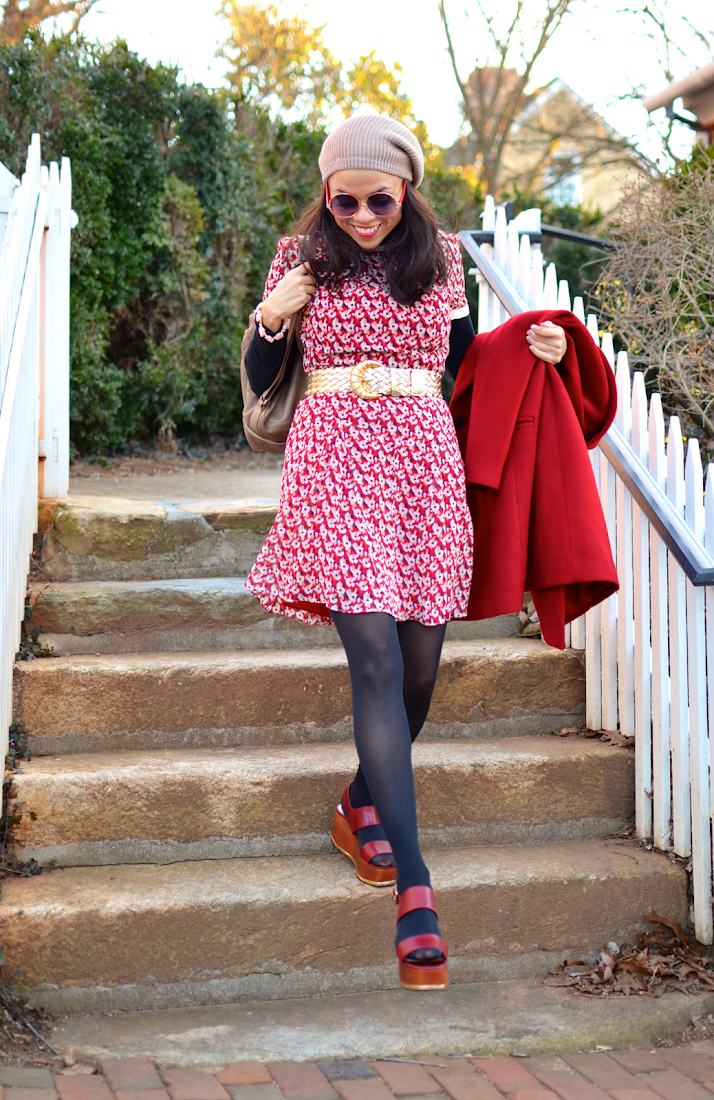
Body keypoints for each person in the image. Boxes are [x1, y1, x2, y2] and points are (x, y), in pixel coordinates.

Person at [244, 113, 567, 991]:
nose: (358, 215)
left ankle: (361, 802)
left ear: (406, 190)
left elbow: (470, 364)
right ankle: (417, 892)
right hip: (334, 459)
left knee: (421, 666)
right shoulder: (301, 255)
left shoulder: (442, 257)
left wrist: (535, 344)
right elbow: (261, 376)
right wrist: (272, 318)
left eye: (376, 199)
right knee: (378, 667)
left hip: (425, 462)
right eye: (341, 199)